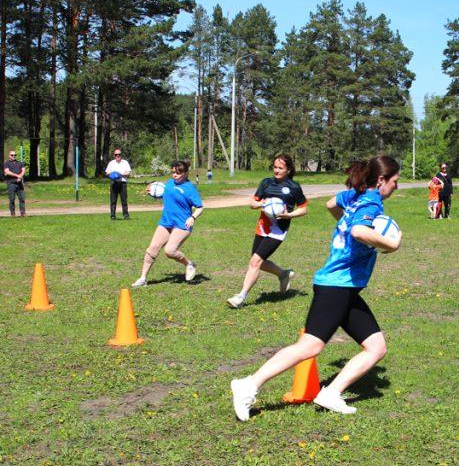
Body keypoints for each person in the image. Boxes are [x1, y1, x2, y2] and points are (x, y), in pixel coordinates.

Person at [230, 156, 402, 420]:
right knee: (309, 347)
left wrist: (343, 227)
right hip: (337, 285)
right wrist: (390, 245)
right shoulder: (371, 201)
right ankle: (248, 385)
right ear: (381, 181)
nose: (396, 187)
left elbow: (331, 204)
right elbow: (358, 231)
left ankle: (330, 393)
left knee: (376, 347)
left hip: (344, 287)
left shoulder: (353, 195)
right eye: (394, 181)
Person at [227, 154, 308, 308]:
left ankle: (241, 297)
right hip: (262, 227)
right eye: (275, 167)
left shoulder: (294, 187)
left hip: (278, 230)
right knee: (258, 263)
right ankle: (284, 274)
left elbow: (303, 209)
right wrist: (261, 204)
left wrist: (289, 214)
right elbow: (252, 203)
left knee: (255, 261)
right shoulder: (266, 183)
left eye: (280, 168)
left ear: (288, 169)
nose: (276, 171)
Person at [130, 160, 203, 287]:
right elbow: (166, 195)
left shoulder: (190, 189)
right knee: (152, 249)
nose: (174, 175)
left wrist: (192, 217)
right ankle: (143, 278)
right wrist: (153, 193)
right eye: (173, 172)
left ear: (185, 173)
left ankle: (189, 264)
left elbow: (200, 207)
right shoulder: (169, 183)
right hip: (166, 222)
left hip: (182, 224)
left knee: (170, 251)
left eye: (178, 173)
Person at [105, 148, 133, 220]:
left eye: (119, 154)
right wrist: (113, 174)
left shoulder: (125, 162)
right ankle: (113, 215)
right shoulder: (111, 163)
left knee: (124, 200)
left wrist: (120, 175)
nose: (117, 156)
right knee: (113, 200)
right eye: (116, 154)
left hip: (123, 183)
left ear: (121, 155)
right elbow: (107, 172)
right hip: (114, 183)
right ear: (114, 155)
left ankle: (126, 215)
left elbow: (129, 172)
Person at [4, 150, 26, 217]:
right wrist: (17, 176)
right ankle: (12, 213)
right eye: (12, 155)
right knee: (12, 199)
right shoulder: (6, 163)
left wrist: (21, 176)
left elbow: (23, 170)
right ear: (9, 156)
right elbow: (7, 172)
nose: (14, 156)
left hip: (19, 184)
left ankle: (23, 213)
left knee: (22, 198)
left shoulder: (20, 163)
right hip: (11, 183)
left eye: (15, 155)